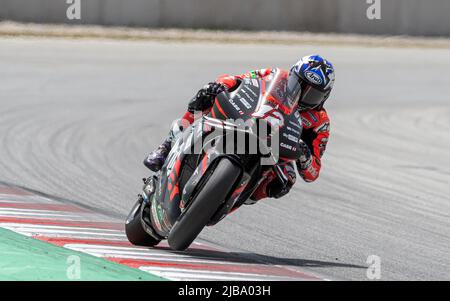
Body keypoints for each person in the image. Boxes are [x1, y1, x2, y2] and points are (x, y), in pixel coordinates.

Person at [144, 54, 335, 201]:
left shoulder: (320, 122)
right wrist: (219, 86)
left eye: (312, 94)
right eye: (298, 85)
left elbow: (313, 173)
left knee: (287, 179)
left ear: (324, 97)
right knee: (207, 95)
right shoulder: (275, 76)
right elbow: (239, 80)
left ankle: (246, 194)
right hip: (248, 120)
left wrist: (305, 154)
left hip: (277, 149)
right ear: (292, 75)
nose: (302, 95)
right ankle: (166, 146)